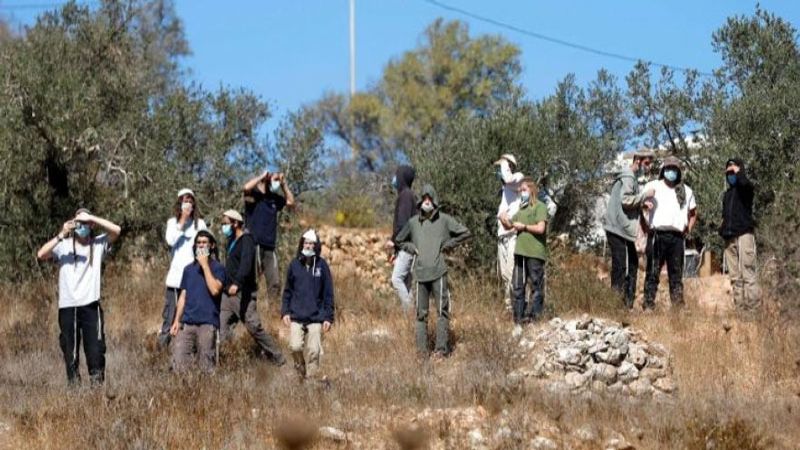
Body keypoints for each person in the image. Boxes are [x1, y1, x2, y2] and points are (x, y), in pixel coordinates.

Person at [36, 208, 121, 385]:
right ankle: (74, 391)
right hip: (68, 306)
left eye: (85, 223)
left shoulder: (98, 244)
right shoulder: (64, 245)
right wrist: (62, 233)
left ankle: (96, 389)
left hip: (91, 305)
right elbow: (41, 254)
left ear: (91, 225)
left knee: (96, 350)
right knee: (71, 352)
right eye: (78, 222)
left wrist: (92, 218)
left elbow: (116, 230)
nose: (82, 226)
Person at [395, 185, 471, 357]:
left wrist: (447, 245)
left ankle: (441, 350)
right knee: (420, 315)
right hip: (421, 274)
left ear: (435, 200)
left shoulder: (444, 220)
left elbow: (465, 232)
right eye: (424, 198)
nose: (426, 200)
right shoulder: (413, 223)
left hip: (438, 272)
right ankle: (421, 352)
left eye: (430, 198)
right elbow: (399, 240)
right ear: (421, 201)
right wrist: (411, 247)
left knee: (442, 311)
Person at [219, 209, 286, 365]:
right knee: (221, 327)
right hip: (227, 295)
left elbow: (246, 264)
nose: (223, 226)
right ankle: (226, 360)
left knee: (254, 328)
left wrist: (237, 283)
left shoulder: (247, 240)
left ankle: (278, 357)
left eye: (225, 223)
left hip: (244, 294)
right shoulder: (231, 241)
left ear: (235, 223)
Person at [641, 156, 697, 309]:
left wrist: (688, 230)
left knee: (676, 274)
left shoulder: (686, 190)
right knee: (652, 272)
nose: (671, 171)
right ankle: (648, 305)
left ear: (678, 171)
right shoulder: (652, 186)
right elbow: (640, 206)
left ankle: (678, 308)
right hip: (656, 235)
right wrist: (645, 227)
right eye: (668, 168)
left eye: (674, 168)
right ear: (663, 170)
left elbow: (693, 213)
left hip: (677, 237)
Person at [281, 229, 335, 380]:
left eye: (312, 244)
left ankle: (311, 380)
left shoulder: (322, 266)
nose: (309, 246)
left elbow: (328, 293)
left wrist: (328, 317)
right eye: (306, 243)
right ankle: (300, 373)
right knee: (295, 346)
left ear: (316, 246)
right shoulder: (294, 265)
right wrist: (285, 311)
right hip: (296, 315)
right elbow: (287, 291)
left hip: (316, 317)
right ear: (302, 244)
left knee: (314, 350)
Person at [603, 151, 655, 308]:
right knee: (621, 267)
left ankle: (627, 304)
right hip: (618, 229)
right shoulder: (628, 176)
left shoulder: (630, 177)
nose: (649, 167)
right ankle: (617, 305)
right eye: (647, 163)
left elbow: (628, 200)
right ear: (638, 161)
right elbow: (625, 200)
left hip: (622, 230)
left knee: (632, 263)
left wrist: (641, 204)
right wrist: (645, 196)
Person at [170, 230, 226, 373]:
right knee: (179, 364)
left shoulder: (218, 268)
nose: (201, 246)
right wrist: (176, 320)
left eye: (204, 243)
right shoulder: (188, 270)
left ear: (211, 245)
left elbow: (215, 290)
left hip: (207, 324)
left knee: (206, 367)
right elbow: (183, 296)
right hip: (188, 323)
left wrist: (205, 266)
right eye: (198, 243)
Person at [160, 188, 208, 347]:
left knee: (188, 320)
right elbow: (170, 240)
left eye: (190, 201)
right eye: (184, 201)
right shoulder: (172, 223)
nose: (187, 204)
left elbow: (204, 247)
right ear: (179, 203)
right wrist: (182, 220)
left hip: (193, 280)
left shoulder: (200, 224)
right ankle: (160, 354)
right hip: (175, 280)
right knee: (169, 319)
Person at [499, 178, 549, 323]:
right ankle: (518, 321)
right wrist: (504, 219)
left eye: (524, 189)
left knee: (536, 286)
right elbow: (510, 226)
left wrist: (525, 227)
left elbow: (541, 228)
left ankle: (535, 320)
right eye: (520, 190)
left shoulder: (540, 207)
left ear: (532, 190)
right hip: (519, 253)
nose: (521, 192)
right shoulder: (521, 209)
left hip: (535, 253)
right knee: (518, 287)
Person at [243, 171, 295, 302]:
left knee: (275, 282)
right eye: (274, 180)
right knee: (251, 281)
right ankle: (249, 311)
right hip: (253, 244)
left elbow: (290, 201)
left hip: (270, 247)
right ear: (266, 180)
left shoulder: (274, 199)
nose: (276, 182)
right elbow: (245, 188)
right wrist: (261, 176)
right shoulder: (254, 195)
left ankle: (273, 312)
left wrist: (283, 184)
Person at [720, 158, 760, 312]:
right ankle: (740, 309)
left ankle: (753, 310)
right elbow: (725, 217)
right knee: (735, 277)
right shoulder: (727, 195)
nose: (731, 174)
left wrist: (740, 173)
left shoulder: (746, 189)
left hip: (744, 234)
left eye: (733, 171)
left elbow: (746, 185)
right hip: (729, 238)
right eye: (728, 172)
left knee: (747, 273)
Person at [494, 154, 525, 311]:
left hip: (512, 234)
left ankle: (519, 306)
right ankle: (509, 307)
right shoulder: (506, 188)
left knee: (513, 272)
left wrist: (504, 163)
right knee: (505, 274)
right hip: (502, 235)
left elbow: (508, 178)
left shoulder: (518, 177)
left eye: (504, 166)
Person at [385, 165, 417, 310]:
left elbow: (403, 223)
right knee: (406, 283)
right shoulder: (408, 195)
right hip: (407, 246)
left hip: (406, 246)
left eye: (397, 175)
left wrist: (394, 241)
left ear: (402, 178)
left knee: (396, 279)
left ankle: (410, 313)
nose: (394, 179)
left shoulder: (405, 196)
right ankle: (411, 321)